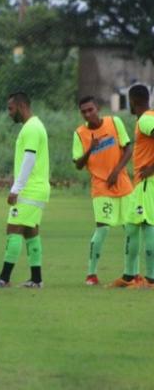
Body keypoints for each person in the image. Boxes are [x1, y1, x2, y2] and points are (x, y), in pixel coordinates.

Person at [0, 92, 50, 289]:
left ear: (21, 106)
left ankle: (4, 278)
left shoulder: (31, 129)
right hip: (38, 188)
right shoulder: (36, 126)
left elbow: (29, 159)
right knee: (30, 231)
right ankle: (36, 279)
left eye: (11, 109)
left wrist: (16, 189)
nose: (9, 113)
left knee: (13, 229)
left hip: (30, 189)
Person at [72, 96, 135, 286]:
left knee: (132, 229)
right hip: (101, 186)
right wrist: (90, 149)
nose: (88, 114)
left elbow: (128, 148)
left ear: (98, 108)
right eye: (84, 111)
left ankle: (131, 274)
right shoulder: (80, 133)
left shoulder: (114, 122)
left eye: (90, 109)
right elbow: (78, 164)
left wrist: (116, 171)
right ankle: (91, 274)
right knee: (103, 228)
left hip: (123, 184)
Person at [118, 84, 154, 288]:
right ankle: (129, 277)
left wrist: (152, 168)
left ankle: (151, 279)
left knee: (148, 225)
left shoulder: (147, 119)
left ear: (132, 101)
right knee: (131, 225)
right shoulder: (146, 119)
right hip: (141, 183)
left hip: (148, 182)